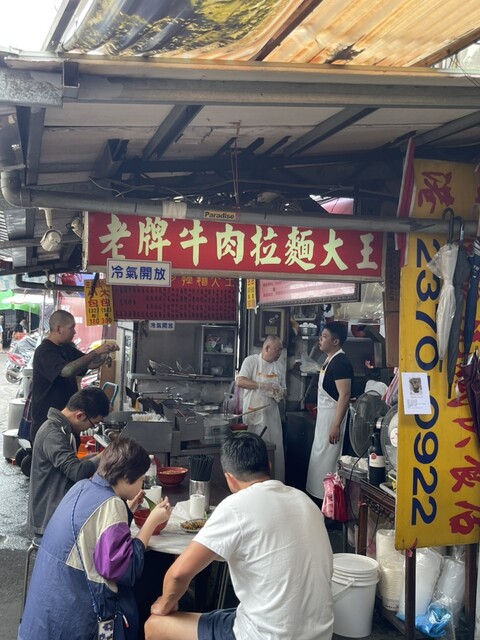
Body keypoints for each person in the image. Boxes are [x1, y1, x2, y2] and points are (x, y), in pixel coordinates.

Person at [145, 432, 333, 640]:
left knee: (155, 625)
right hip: (320, 633)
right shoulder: (304, 501)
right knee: (226, 614)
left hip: (266, 636)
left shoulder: (236, 506)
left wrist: (164, 604)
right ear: (269, 467)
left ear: (229, 479)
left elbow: (178, 574)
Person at [19, 437, 173, 640]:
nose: (141, 485)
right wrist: (151, 523)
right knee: (156, 572)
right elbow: (124, 569)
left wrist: (128, 509)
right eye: (141, 479)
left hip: (43, 618)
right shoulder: (111, 504)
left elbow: (95, 531)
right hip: (77, 621)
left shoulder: (82, 486)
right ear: (126, 477)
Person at [28, 386, 110, 537]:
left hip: (57, 513)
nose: (90, 428)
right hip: (48, 519)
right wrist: (104, 456)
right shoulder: (53, 433)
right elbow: (76, 472)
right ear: (80, 415)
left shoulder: (62, 429)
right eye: (93, 424)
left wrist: (90, 458)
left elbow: (67, 466)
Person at [30, 309, 119, 442]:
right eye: (71, 328)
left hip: (67, 421)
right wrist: (95, 352)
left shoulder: (66, 348)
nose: (74, 332)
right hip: (48, 422)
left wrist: (105, 353)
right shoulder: (45, 352)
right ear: (59, 329)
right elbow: (67, 371)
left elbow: (89, 363)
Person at [306, 321, 353, 503]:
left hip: (333, 421)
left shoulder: (340, 362)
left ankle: (331, 505)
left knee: (329, 464)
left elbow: (344, 395)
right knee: (319, 462)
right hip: (324, 420)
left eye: (324, 337)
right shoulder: (329, 360)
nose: (320, 339)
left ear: (336, 341)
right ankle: (320, 501)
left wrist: (336, 425)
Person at [236, 335, 286, 481]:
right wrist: (261, 385)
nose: (279, 353)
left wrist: (279, 392)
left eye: (281, 350)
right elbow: (240, 381)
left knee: (275, 450)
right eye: (277, 350)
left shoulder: (279, 366)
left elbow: (284, 390)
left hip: (272, 416)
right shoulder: (251, 361)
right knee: (254, 450)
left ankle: (275, 481)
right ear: (267, 348)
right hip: (253, 415)